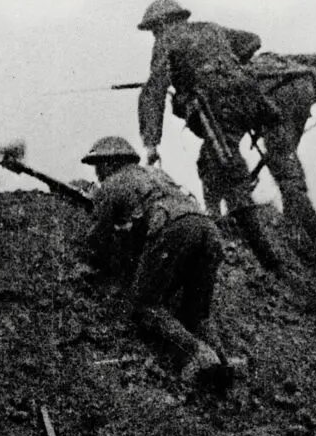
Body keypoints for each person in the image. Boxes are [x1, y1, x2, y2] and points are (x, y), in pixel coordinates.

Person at [135, 0, 288, 269]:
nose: (155, 35)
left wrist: (151, 143)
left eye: (154, 29)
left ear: (162, 24)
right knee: (210, 160)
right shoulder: (210, 27)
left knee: (229, 169)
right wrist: (224, 63)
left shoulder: (166, 40)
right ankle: (218, 215)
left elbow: (154, 90)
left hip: (218, 107)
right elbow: (252, 40)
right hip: (252, 99)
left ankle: (267, 256)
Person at [79, 135, 232, 386]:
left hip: (174, 229)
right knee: (197, 313)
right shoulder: (156, 174)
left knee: (145, 305)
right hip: (207, 228)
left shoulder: (113, 184)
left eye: (99, 166)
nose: (97, 173)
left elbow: (97, 238)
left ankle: (198, 355)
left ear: (111, 163)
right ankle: (223, 367)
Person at [198, 51, 316, 254]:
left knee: (282, 165)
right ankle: (299, 228)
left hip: (276, 94)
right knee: (285, 164)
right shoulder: (262, 64)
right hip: (293, 87)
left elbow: (217, 158)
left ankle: (311, 235)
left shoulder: (215, 95)